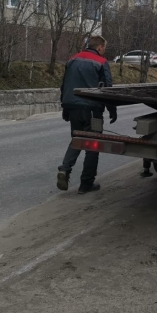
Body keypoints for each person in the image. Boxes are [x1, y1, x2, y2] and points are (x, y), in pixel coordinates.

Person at [57, 35, 117, 194]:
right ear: (99, 48)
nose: (104, 51)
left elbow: (64, 85)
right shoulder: (102, 62)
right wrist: (112, 109)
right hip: (93, 111)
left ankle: (64, 169)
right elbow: (108, 89)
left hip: (73, 108)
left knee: (77, 140)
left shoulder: (72, 59)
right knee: (93, 144)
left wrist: (65, 107)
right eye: (104, 48)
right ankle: (86, 183)